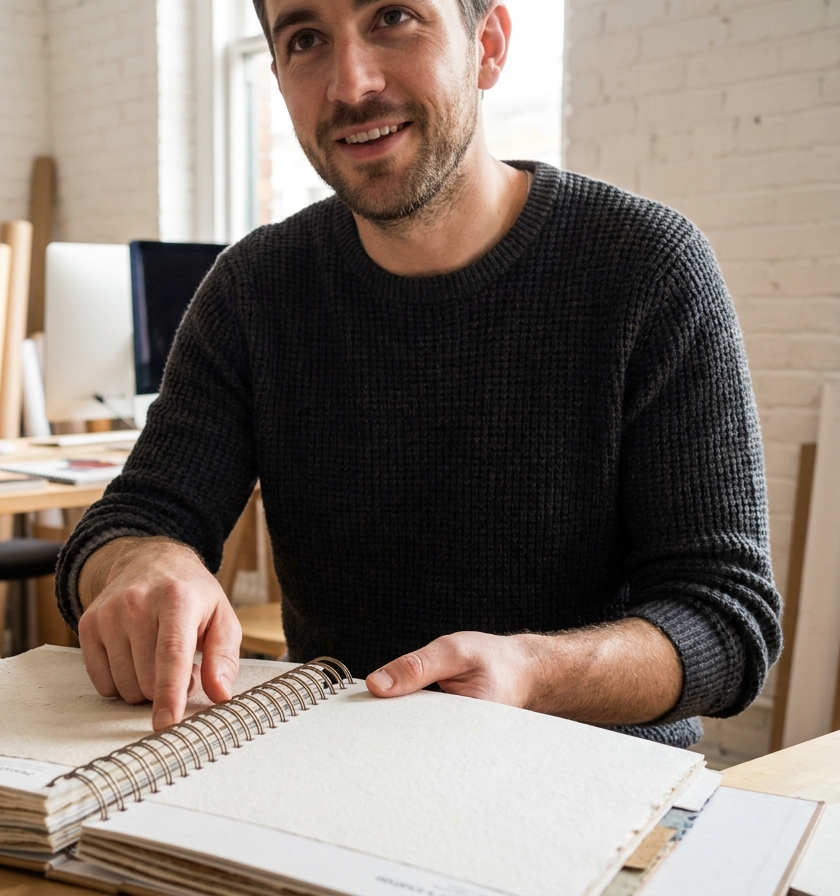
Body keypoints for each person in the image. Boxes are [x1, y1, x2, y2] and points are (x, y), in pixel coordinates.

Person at [54, 0, 781, 748]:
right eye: (306, 40)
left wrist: (533, 673)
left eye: (394, 17)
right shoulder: (254, 291)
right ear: (277, 77)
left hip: (594, 781)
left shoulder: (647, 268)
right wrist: (147, 564)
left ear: (488, 45)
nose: (350, 83)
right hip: (340, 776)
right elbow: (132, 522)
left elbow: (728, 621)